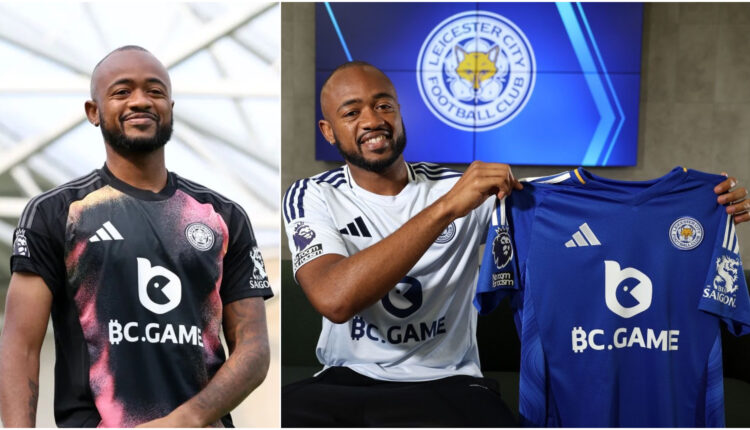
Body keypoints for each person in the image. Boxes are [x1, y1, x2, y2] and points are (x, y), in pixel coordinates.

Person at [281, 61, 750, 426]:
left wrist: (697, 205)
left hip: (450, 382)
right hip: (345, 381)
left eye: (384, 104)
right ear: (329, 130)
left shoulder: (463, 185)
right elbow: (335, 298)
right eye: (352, 111)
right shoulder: (313, 196)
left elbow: (576, 203)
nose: (372, 119)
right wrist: (447, 208)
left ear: (400, 113)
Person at [0, 46, 273, 428]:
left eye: (155, 91)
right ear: (93, 112)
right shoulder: (56, 213)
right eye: (122, 91)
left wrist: (185, 420)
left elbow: (254, 349)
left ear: (171, 108)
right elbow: (20, 347)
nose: (141, 101)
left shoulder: (223, 216)